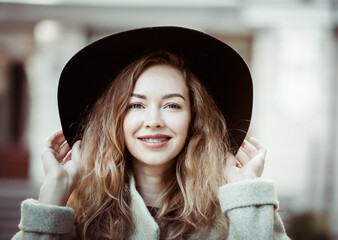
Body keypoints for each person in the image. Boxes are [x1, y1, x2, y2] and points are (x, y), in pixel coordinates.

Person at [13, 27, 290, 240]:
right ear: (115, 119)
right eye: (136, 105)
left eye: (172, 105)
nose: (154, 121)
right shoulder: (75, 217)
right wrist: (53, 194)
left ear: (194, 120)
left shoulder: (231, 215)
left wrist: (246, 197)